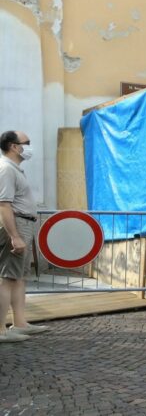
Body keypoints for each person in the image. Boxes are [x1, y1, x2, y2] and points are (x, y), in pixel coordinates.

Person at [0, 130, 49, 342]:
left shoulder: (13, 169)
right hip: (16, 225)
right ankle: (0, 330)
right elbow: (3, 205)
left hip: (23, 224)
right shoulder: (5, 169)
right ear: (13, 146)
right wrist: (14, 236)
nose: (29, 146)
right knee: (7, 278)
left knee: (18, 277)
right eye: (26, 143)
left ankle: (19, 323)